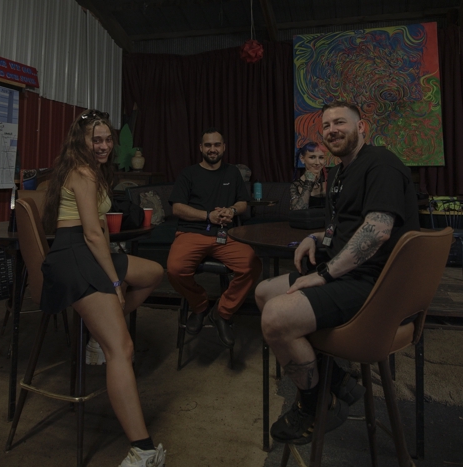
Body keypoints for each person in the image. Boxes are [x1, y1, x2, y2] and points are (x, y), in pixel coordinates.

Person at [255, 101, 419, 446]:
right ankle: (335, 379)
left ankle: (316, 404)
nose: (332, 130)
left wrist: (325, 274)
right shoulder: (344, 170)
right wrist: (315, 237)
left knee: (275, 317)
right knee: (263, 292)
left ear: (361, 127)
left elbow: (377, 231)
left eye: (340, 122)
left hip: (377, 285)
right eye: (327, 125)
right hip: (352, 275)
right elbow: (346, 226)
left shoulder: (381, 164)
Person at [40, 109, 174, 467]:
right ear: (80, 141)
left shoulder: (95, 172)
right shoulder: (82, 173)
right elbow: (92, 235)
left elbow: (100, 229)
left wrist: (116, 270)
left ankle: (99, 334)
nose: (102, 145)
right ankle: (139, 457)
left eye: (106, 139)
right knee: (123, 349)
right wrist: (114, 280)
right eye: (95, 139)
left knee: (153, 272)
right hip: (73, 255)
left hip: (86, 249)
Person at [166, 128, 262, 348]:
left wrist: (232, 210)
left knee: (252, 266)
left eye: (216, 145)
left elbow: (242, 203)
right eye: (208, 145)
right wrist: (207, 215)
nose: (212, 149)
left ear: (224, 147)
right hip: (192, 232)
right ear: (201, 148)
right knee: (175, 269)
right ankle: (200, 306)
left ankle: (221, 312)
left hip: (226, 234)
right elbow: (177, 208)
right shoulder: (188, 174)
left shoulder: (232, 173)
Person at [290, 142, 327, 210]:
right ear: (302, 158)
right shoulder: (296, 185)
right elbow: (298, 212)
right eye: (312, 157)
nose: (317, 162)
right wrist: (308, 183)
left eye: (321, 157)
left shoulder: (331, 180)